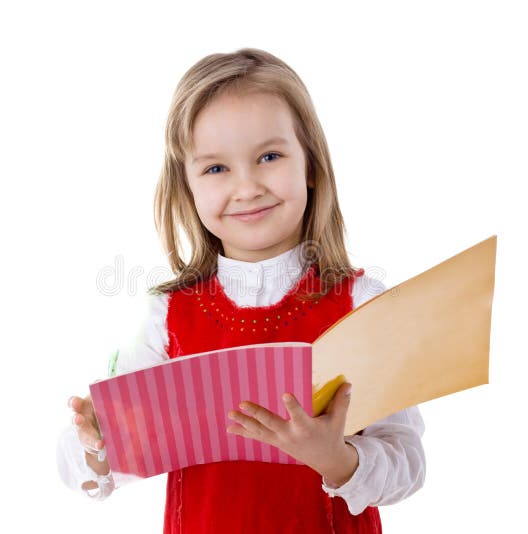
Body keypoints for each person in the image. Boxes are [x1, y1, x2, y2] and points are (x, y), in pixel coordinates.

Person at [56, 47, 426, 533]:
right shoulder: (167, 316)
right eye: (216, 168)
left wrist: (335, 458)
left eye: (269, 156)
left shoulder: (362, 304)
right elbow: (92, 467)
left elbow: (408, 462)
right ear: (187, 187)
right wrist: (97, 441)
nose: (247, 186)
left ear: (310, 164)